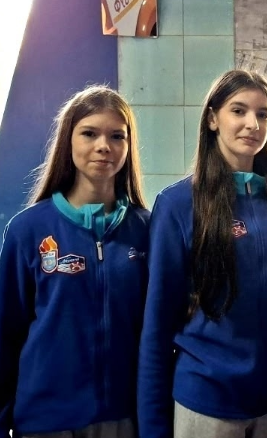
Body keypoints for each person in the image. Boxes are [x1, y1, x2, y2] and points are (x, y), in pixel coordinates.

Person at [137, 69, 267, 438]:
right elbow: (157, 323)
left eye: (263, 114)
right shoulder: (177, 205)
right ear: (213, 119)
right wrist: (153, 425)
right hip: (206, 403)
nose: (252, 124)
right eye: (238, 110)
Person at [0, 85, 149, 438]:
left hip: (125, 419)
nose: (104, 146)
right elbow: (5, 334)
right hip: (46, 421)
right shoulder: (28, 230)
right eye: (89, 133)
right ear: (68, 140)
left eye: (117, 136)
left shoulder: (147, 230)